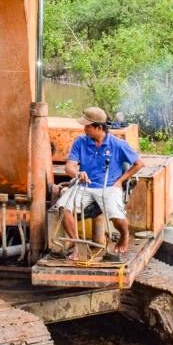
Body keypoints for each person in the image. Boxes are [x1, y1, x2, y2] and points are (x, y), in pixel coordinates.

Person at [56, 107, 144, 259]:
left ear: (99, 127)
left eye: (87, 126)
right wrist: (77, 174)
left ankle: (124, 235)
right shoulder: (81, 142)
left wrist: (120, 181)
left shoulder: (118, 144)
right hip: (84, 186)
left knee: (117, 216)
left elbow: (139, 163)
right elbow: (69, 166)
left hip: (109, 187)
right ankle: (78, 245)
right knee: (63, 207)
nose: (84, 129)